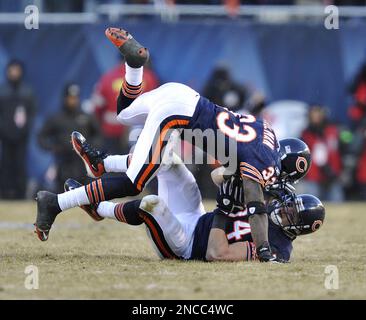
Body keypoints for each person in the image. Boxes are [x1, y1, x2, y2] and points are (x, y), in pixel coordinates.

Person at [35, 27, 311, 263]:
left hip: (182, 96)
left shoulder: (266, 134)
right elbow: (255, 208)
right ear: (280, 165)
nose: (280, 185)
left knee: (125, 112)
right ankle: (56, 203)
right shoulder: (263, 166)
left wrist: (230, 187)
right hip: (177, 117)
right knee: (134, 183)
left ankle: (132, 73)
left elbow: (221, 174)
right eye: (283, 177)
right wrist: (263, 249)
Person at [60, 151, 325, 263]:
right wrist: (244, 177)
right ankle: (102, 162)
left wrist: (224, 210)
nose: (282, 210)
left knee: (152, 204)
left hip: (187, 245)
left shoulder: (276, 249)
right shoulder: (270, 194)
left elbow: (216, 253)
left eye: (290, 213)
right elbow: (217, 176)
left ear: (297, 228)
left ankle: (99, 208)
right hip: (197, 216)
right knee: (165, 158)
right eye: (287, 205)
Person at [38, 83, 101, 192]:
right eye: (70, 98)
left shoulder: (86, 117)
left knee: (86, 192)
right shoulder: (57, 118)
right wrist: (53, 147)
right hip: (63, 161)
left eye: (75, 98)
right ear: (64, 98)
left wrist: (90, 148)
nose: (73, 101)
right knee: (63, 191)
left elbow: (98, 135)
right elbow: (41, 137)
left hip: (83, 161)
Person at [90, 56, 159, 154]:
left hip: (111, 132)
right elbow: (154, 106)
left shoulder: (107, 77)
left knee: (112, 164)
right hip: (138, 132)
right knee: (136, 165)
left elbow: (97, 108)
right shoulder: (148, 77)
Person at [0, 59, 36, 199]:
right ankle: (5, 193)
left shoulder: (27, 91)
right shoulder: (2, 90)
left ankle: (20, 194)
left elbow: (32, 114)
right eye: (12, 70)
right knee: (6, 164)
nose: (14, 73)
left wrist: (25, 130)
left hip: (22, 137)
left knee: (20, 165)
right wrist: (3, 130)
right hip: (5, 136)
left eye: (17, 70)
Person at [300, 104, 344, 202]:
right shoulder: (305, 134)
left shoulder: (334, 130)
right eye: (313, 114)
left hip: (334, 176)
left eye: (318, 113)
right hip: (313, 177)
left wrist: (341, 170)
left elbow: (341, 150)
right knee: (312, 206)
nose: (316, 117)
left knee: (338, 206)